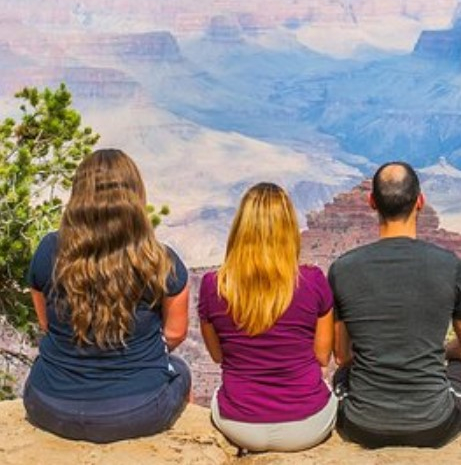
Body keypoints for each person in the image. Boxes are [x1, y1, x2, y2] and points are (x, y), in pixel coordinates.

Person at [328, 161, 461, 448]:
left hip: (361, 425)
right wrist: (438, 351)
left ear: (372, 202)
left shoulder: (342, 268)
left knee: (343, 375)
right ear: (420, 202)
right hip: (433, 424)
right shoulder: (451, 266)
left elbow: (342, 356)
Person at [23, 148, 191, 443]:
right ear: (135, 196)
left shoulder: (48, 250)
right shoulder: (161, 261)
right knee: (180, 371)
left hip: (49, 406)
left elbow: (46, 324)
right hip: (138, 412)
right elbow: (175, 334)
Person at [198, 182, 336, 453]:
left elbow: (218, 356)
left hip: (239, 424)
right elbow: (322, 356)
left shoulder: (213, 285)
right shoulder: (313, 280)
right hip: (306, 424)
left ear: (240, 229)